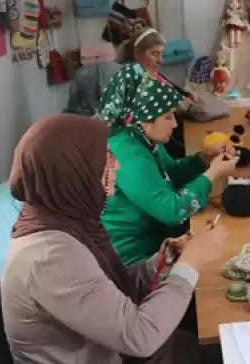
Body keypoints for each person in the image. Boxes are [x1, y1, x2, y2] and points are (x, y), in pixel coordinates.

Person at [1, 114, 229, 364]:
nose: (117, 167)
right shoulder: (48, 256)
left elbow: (105, 291)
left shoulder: (66, 221)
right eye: (107, 160)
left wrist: (164, 261)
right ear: (74, 173)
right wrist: (191, 264)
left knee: (200, 353)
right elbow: (140, 336)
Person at [101, 74, 238, 265]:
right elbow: (173, 211)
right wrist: (212, 174)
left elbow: (170, 173)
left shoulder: (140, 139)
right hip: (129, 261)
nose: (174, 124)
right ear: (144, 119)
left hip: (152, 242)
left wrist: (204, 158)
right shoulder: (128, 154)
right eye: (168, 117)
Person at [97, 27, 192, 158]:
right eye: (155, 54)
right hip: (137, 153)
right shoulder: (128, 80)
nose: (161, 61)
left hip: (161, 150)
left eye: (162, 54)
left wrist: (183, 99)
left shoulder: (151, 76)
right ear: (137, 53)